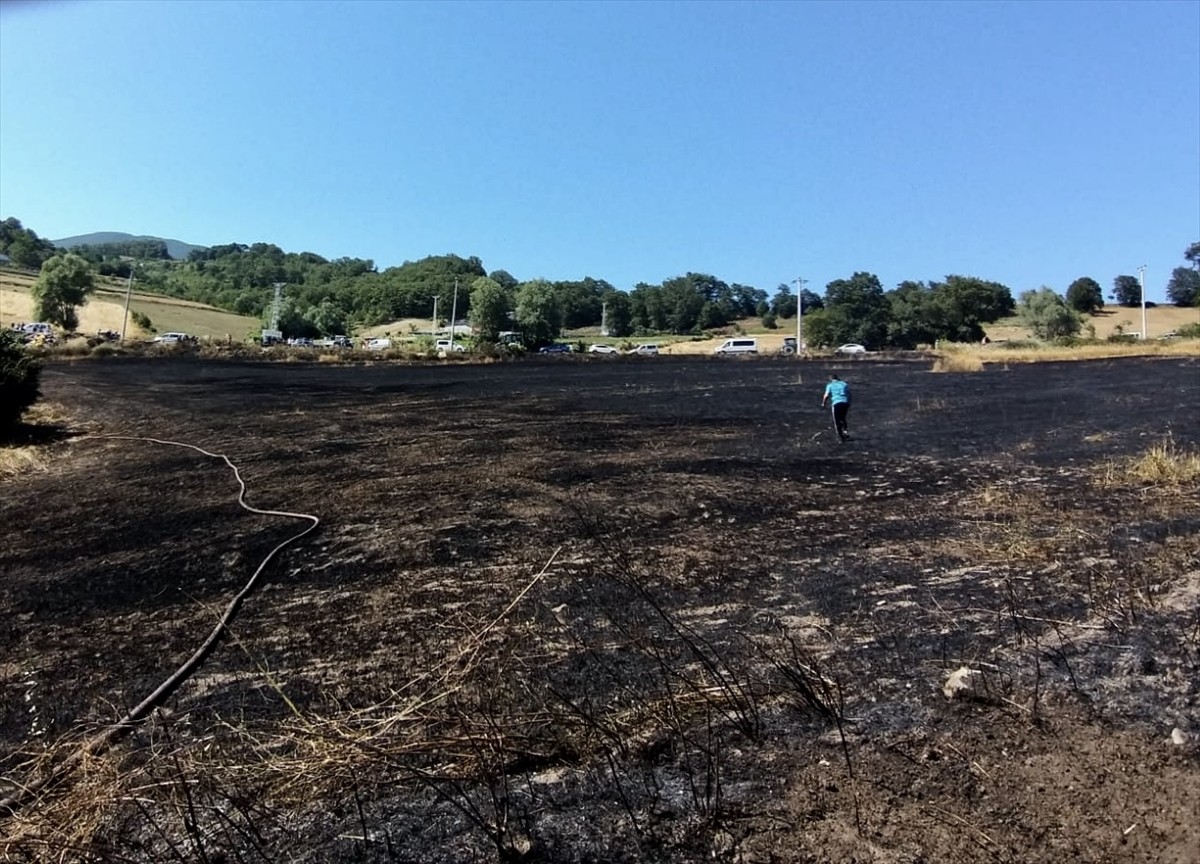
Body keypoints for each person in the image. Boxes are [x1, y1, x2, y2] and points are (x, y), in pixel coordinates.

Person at [821, 374, 851, 441]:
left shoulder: (830, 385)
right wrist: (849, 402)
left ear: (831, 379)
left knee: (837, 420)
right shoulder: (844, 384)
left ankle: (840, 436)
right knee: (843, 417)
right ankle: (845, 430)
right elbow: (849, 394)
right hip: (845, 402)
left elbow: (826, 395)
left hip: (836, 403)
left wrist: (823, 403)